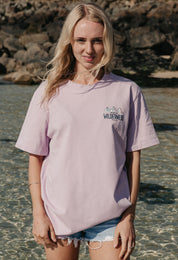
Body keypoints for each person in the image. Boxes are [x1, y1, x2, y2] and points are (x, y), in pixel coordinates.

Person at [16, 3, 159, 260]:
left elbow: (133, 160)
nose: (89, 49)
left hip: (110, 217)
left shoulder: (127, 91)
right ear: (69, 42)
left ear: (107, 42)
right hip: (58, 215)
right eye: (81, 40)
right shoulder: (49, 91)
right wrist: (39, 214)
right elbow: (35, 157)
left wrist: (128, 217)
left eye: (97, 41)